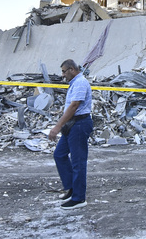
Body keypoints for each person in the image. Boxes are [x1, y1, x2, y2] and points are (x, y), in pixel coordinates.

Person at [48, 59, 93, 210]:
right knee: (59, 154)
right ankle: (72, 187)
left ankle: (79, 198)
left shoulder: (80, 83)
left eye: (64, 71)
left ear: (72, 69)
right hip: (72, 124)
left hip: (79, 124)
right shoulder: (74, 83)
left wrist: (57, 127)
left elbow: (74, 106)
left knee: (78, 162)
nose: (62, 75)